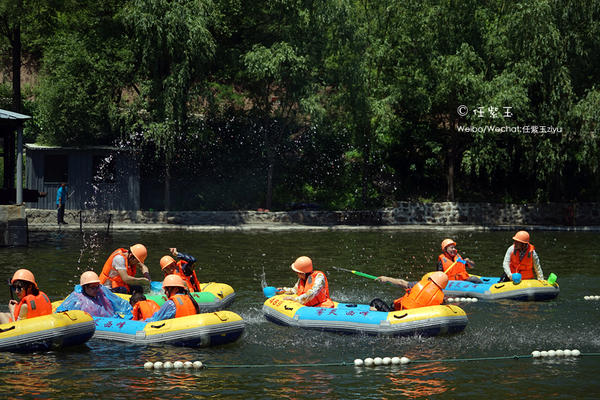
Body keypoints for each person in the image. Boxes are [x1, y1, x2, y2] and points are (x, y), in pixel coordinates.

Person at [56, 271, 133, 318]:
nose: (96, 290)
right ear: (84, 287)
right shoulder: (77, 298)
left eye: (97, 286)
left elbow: (119, 302)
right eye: (93, 287)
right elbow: (62, 311)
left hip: (112, 320)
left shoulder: (102, 290)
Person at [370, 271, 448, 312]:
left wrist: (386, 278)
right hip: (417, 318)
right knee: (393, 305)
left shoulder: (418, 284)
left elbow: (401, 282)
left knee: (375, 301)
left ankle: (374, 315)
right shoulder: (441, 297)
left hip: (401, 314)